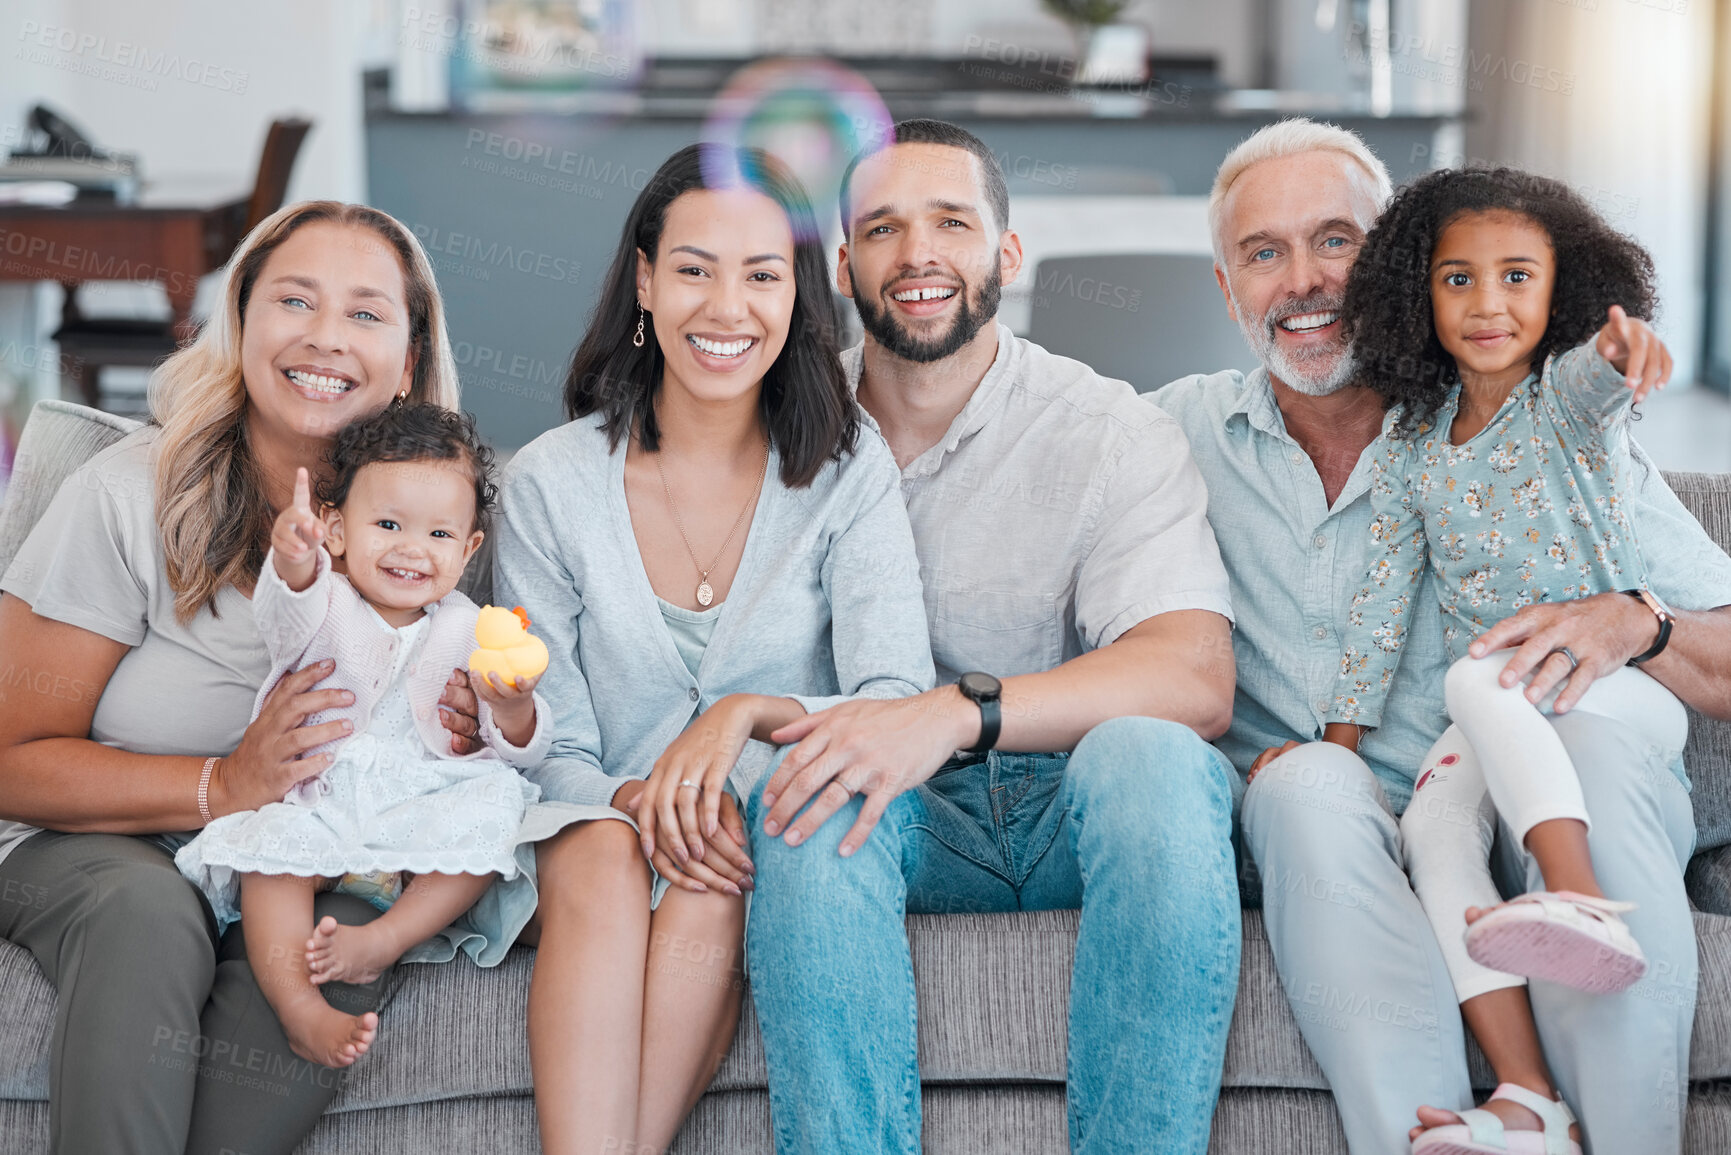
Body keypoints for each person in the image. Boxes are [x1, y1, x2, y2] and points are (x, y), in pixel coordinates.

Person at [1156, 118, 1731, 1155]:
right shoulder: (1166, 441)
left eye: (1336, 240)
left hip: (1550, 783)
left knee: (1585, 745)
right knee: (1299, 786)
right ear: (1226, 285)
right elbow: (1014, 446)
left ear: (1397, 264)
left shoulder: (1548, 429)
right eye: (1263, 252)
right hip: (1364, 830)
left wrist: (1639, 622)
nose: (1304, 281)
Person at [743, 118, 1241, 1154]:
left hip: (1075, 798)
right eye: (883, 228)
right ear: (843, 266)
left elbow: (1194, 676)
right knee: (810, 797)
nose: (917, 254)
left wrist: (951, 715)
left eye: (951, 223)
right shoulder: (770, 431)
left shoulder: (1105, 429)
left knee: (1154, 756)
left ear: (1006, 256)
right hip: (899, 813)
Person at [0, 200, 484, 1154]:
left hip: (312, 847)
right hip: (99, 844)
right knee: (149, 914)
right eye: (294, 301)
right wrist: (225, 784)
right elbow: (8, 756)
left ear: (412, 361)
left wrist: (472, 717)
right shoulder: (129, 494)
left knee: (348, 924)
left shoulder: (434, 523)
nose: (324, 338)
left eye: (365, 313)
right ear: (243, 324)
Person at [487, 143, 935, 1155]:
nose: (725, 308)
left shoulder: (846, 472)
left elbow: (895, 693)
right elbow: (547, 738)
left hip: (742, 834)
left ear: (798, 297)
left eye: (762, 275)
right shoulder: (553, 484)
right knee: (605, 849)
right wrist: (638, 797)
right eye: (694, 269)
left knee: (713, 857)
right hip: (594, 826)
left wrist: (738, 731)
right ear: (644, 279)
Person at [1318, 167, 1686, 1152]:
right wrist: (1341, 742)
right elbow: (1382, 606)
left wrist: (1622, 350)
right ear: (1415, 296)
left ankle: (1578, 898)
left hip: (1614, 696)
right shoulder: (1411, 446)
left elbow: (1602, 377)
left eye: (1519, 277)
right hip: (1505, 707)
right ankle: (1528, 1098)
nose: (1489, 304)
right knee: (1433, 822)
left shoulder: (1561, 405)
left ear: (1561, 292)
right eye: (1458, 280)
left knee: (1473, 673)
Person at [175, 403, 549, 1068]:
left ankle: (384, 937)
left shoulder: (471, 625)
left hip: (415, 809)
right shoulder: (326, 603)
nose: (411, 547)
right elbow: (284, 613)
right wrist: (294, 562)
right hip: (322, 795)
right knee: (269, 863)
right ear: (337, 530)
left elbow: (509, 743)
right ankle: (298, 1007)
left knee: (493, 807)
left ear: (467, 550)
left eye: (438, 533)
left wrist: (512, 706)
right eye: (387, 524)